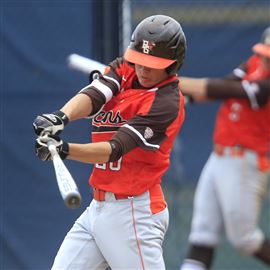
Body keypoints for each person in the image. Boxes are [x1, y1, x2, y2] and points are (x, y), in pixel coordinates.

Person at [33, 15, 187, 270]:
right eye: (140, 61)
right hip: (99, 207)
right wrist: (59, 118)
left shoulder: (166, 103)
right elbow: (95, 95)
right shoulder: (126, 68)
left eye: (153, 64)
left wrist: (64, 150)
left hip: (134, 214)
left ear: (173, 64)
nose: (143, 69)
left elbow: (113, 150)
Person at [179, 26, 270, 270]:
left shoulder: (267, 86)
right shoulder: (254, 63)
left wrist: (170, 82)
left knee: (245, 240)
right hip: (219, 157)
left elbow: (223, 90)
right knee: (202, 233)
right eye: (264, 53)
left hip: (244, 163)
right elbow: (225, 83)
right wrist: (180, 96)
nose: (264, 59)